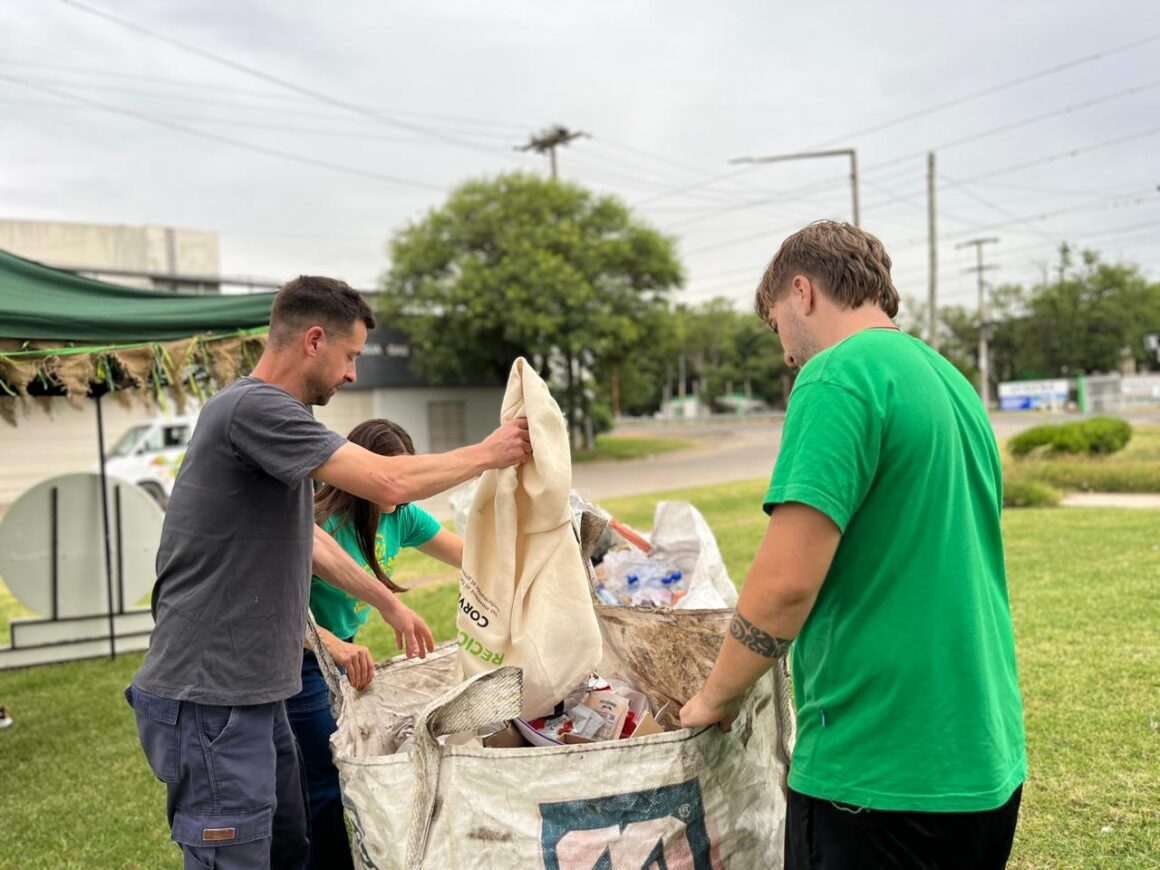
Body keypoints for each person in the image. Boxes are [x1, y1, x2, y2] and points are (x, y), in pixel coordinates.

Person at [126, 275, 531, 870]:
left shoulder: (272, 425)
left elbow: (311, 542)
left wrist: (386, 601)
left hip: (263, 692)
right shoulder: (254, 408)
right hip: (211, 697)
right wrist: (490, 452)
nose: (352, 375)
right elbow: (388, 481)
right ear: (314, 339)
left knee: (295, 846)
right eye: (351, 356)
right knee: (236, 860)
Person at [681, 221, 1026, 869]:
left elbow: (785, 584)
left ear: (802, 293)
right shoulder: (952, 383)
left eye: (777, 324)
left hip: (879, 766)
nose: (786, 353)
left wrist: (714, 698)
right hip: (983, 756)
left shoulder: (836, 377)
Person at [289, 418, 464, 870]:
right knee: (323, 783)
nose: (400, 490)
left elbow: (469, 554)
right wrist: (332, 648)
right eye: (390, 478)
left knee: (349, 776)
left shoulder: (400, 514)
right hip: (299, 655)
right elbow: (276, 609)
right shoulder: (319, 522)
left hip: (342, 655)